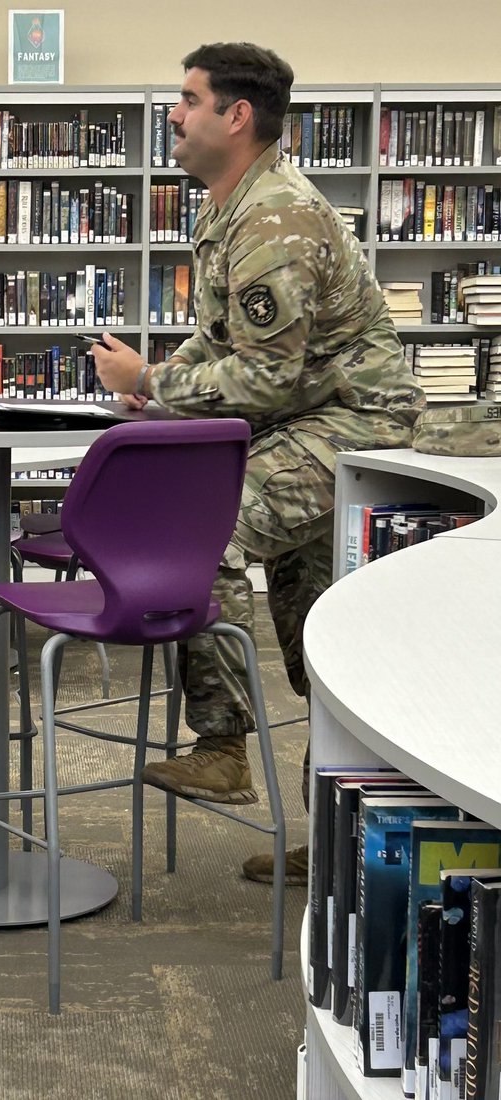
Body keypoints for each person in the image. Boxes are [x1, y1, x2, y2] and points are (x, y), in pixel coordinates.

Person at [86, 42, 424, 883]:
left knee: (211, 535)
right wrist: (158, 387)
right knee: (318, 624)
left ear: (236, 117)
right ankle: (347, 843)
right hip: (306, 417)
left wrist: (156, 381)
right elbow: (225, 340)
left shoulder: (276, 216)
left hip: (354, 421)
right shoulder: (234, 206)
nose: (173, 113)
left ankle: (225, 745)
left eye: (187, 99)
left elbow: (268, 374)